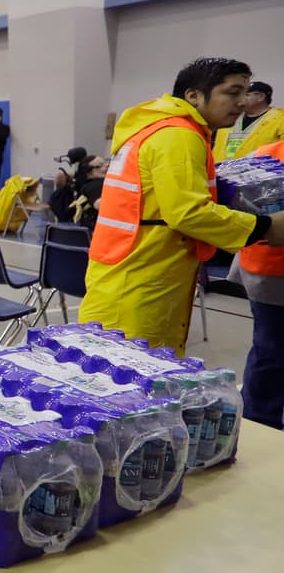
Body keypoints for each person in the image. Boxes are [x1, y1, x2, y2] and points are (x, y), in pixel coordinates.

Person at [79, 57, 284, 356]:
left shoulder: (159, 127)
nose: (242, 102)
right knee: (137, 378)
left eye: (246, 92)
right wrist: (264, 227)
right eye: (232, 92)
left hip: (135, 269)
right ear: (193, 95)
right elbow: (188, 213)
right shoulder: (179, 134)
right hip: (144, 278)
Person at [229, 139, 284, 428]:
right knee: (271, 351)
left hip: (263, 267)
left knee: (269, 351)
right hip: (273, 270)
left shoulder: (265, 152)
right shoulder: (266, 155)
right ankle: (260, 424)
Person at [213, 81, 283, 161]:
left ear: (260, 97)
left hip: (258, 171)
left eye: (246, 95)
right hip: (221, 170)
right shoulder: (228, 117)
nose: (239, 99)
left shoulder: (280, 120)